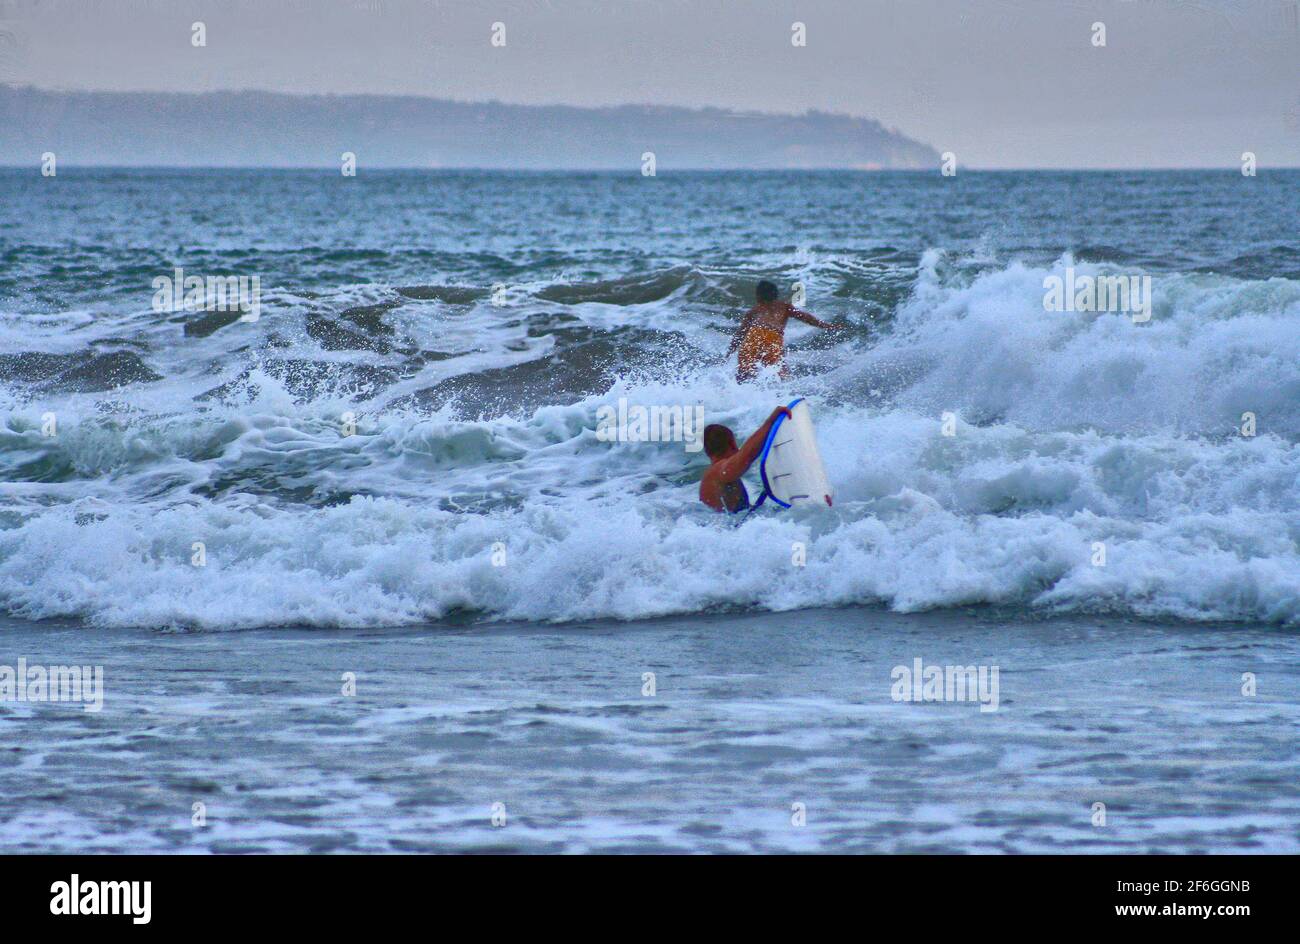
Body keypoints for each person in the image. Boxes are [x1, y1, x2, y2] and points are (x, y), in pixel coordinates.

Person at [726, 280, 843, 382]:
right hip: (773, 337)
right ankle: (784, 397)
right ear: (775, 294)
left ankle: (739, 395)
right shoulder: (784, 307)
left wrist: (729, 352)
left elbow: (740, 333)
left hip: (754, 335)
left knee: (744, 372)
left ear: (759, 295)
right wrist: (827, 326)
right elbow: (806, 317)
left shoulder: (754, 311)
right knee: (778, 371)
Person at [698, 405, 792, 513]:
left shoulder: (712, 477)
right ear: (732, 444)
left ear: (707, 451)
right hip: (730, 528)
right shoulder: (719, 471)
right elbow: (747, 456)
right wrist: (770, 422)